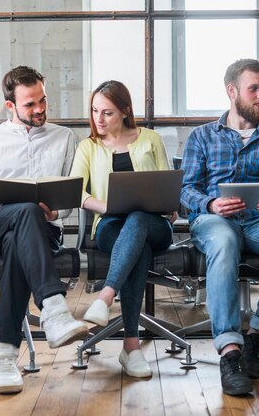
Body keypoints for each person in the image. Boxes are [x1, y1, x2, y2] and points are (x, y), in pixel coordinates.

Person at [0, 66, 88, 394]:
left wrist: (57, 209)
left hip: (43, 231)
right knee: (22, 214)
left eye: (43, 101)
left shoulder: (64, 137)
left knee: (20, 237)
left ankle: (4, 353)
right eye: (30, 104)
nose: (39, 109)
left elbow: (71, 198)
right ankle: (53, 307)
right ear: (10, 105)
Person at [180, 59, 259, 396]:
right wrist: (210, 204)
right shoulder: (202, 136)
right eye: (255, 89)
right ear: (232, 91)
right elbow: (186, 189)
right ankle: (230, 354)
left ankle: (256, 337)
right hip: (215, 219)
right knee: (222, 242)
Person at [70, 80, 175, 378]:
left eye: (107, 113)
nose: (99, 120)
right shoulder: (87, 147)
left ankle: (106, 295)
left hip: (154, 224)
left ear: (126, 112)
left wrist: (170, 202)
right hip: (111, 225)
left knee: (140, 218)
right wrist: (106, 206)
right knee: (135, 245)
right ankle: (131, 348)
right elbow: (75, 191)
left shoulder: (151, 139)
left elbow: (167, 184)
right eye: (95, 112)